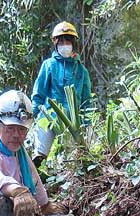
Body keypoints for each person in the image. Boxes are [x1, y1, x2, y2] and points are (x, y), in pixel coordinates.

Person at [30, 21, 93, 168]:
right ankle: (35, 182)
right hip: (49, 117)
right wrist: (32, 115)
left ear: (73, 43)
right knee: (39, 155)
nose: (65, 45)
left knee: (71, 160)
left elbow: (86, 100)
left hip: (73, 122)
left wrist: (87, 122)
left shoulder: (82, 71)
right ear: (56, 43)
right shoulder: (49, 65)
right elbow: (38, 94)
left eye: (68, 41)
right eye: (61, 41)